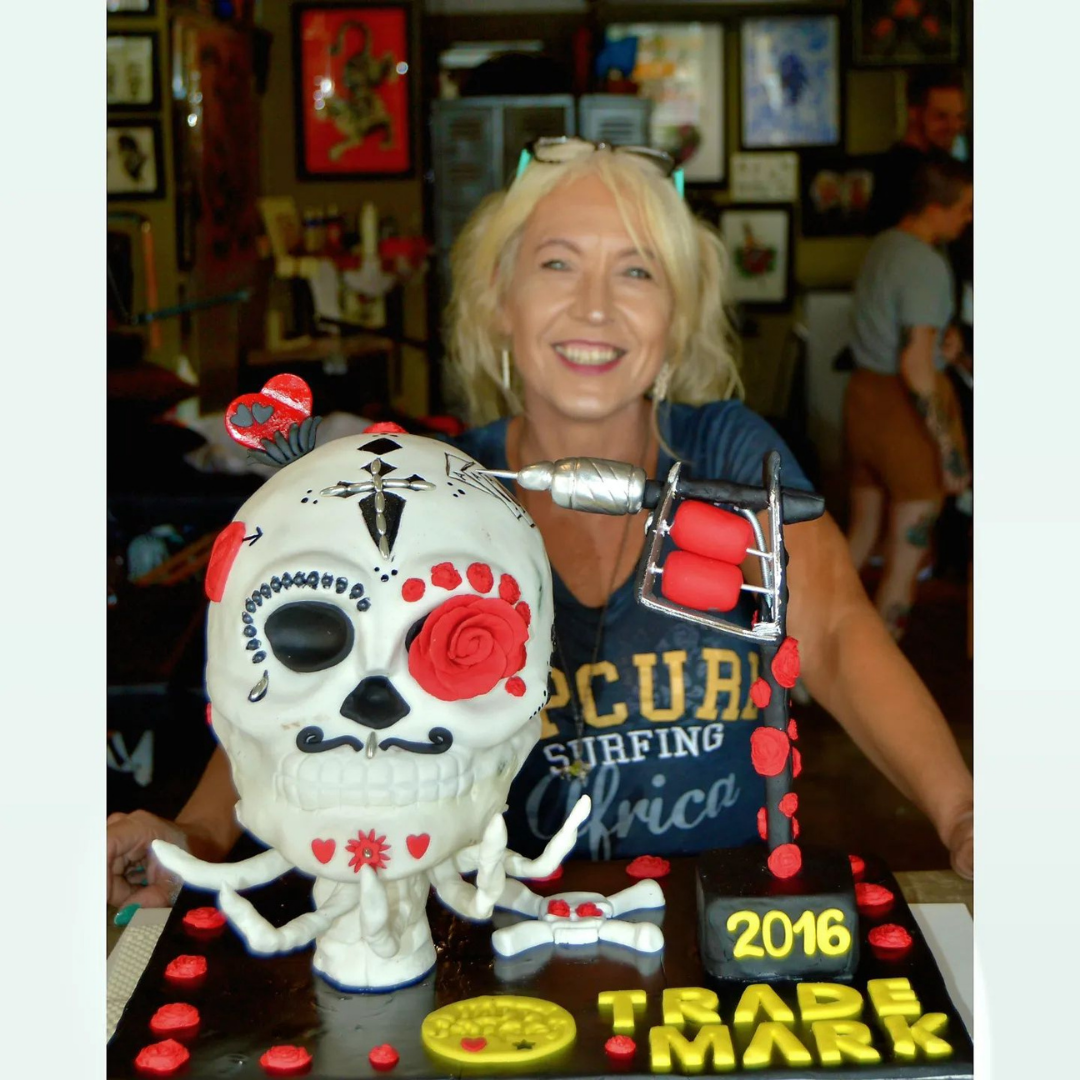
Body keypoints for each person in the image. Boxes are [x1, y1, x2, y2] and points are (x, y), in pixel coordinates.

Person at [107, 139, 974, 910]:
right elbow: (299, 675)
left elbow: (837, 636)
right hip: (498, 939)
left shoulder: (730, 457)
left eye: (638, 272)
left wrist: (965, 814)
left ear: (677, 320)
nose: (596, 307)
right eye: (558, 264)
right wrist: (199, 835)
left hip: (718, 927)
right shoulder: (432, 493)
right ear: (499, 302)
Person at [844, 152, 973, 640]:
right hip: (903, 417)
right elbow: (915, 364)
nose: (969, 218)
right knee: (905, 558)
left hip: (862, 403)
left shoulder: (883, 246)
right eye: (964, 208)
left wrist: (945, 343)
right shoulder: (925, 263)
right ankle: (882, 663)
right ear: (935, 208)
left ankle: (803, 657)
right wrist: (950, 450)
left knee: (859, 538)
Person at [868, 66, 967, 234]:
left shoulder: (944, 164)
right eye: (941, 116)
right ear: (913, 113)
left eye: (959, 117)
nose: (954, 127)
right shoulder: (901, 171)